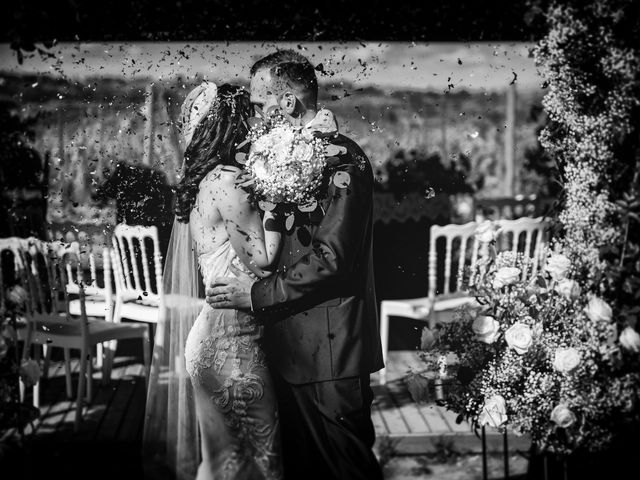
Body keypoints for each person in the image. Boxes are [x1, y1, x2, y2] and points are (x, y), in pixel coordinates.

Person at [206, 50, 384, 480]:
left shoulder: (344, 161)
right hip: (287, 347)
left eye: (259, 104)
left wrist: (254, 294)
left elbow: (332, 258)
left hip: (329, 352)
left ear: (287, 104)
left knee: (347, 471)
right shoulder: (276, 157)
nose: (255, 115)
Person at [143, 81, 283, 480]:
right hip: (232, 347)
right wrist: (275, 201)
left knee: (223, 462)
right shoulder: (228, 181)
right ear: (233, 126)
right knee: (259, 462)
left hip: (216, 340)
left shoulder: (207, 180)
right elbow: (264, 258)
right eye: (251, 117)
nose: (259, 125)